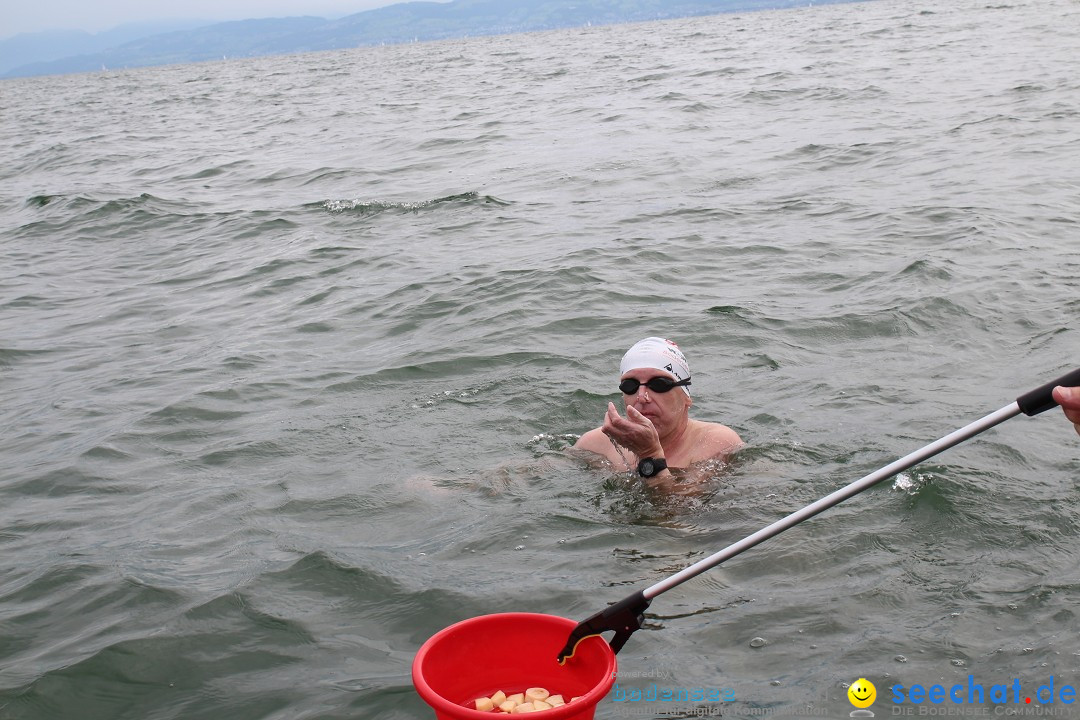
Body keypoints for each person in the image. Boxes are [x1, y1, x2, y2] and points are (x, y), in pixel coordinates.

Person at [574, 337, 743, 488]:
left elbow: (673, 515)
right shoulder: (596, 444)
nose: (642, 396)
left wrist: (649, 455)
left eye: (659, 384)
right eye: (630, 385)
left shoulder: (717, 443)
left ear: (687, 397)